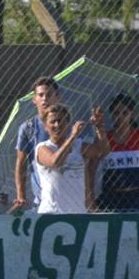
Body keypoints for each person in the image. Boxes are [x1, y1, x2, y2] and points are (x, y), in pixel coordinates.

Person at [10, 77, 93, 212]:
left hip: (72, 196)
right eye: (40, 95)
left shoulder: (69, 126)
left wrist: (99, 128)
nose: (45, 99)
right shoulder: (28, 128)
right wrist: (21, 195)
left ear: (57, 97)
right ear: (34, 99)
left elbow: (91, 155)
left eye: (49, 95)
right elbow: (21, 163)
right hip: (43, 197)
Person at [33, 104, 91, 213]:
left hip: (78, 213)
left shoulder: (78, 145)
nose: (57, 125)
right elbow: (55, 162)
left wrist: (99, 128)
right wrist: (72, 136)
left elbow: (102, 151)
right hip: (52, 213)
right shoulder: (42, 148)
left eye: (60, 121)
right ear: (45, 126)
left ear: (67, 123)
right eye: (52, 122)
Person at [87, 94, 139, 211]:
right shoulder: (104, 138)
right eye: (116, 113)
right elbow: (91, 170)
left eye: (125, 113)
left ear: (132, 114)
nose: (120, 117)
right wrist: (91, 198)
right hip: (111, 198)